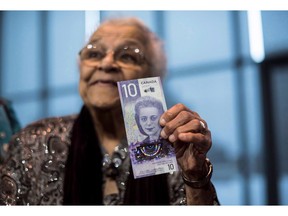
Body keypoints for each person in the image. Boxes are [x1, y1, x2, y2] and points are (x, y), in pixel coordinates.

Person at [0, 17, 219, 205]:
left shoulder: (175, 146)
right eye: (94, 54)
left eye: (127, 56)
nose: (106, 63)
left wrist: (194, 175)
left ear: (152, 76)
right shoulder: (32, 143)